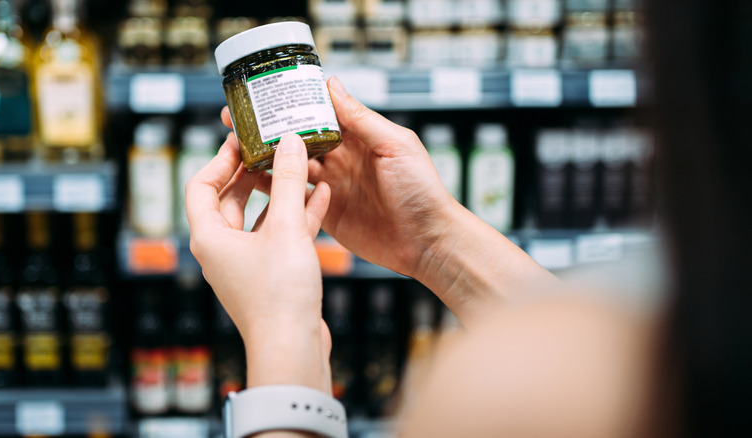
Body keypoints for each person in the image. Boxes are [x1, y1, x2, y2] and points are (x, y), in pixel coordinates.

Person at [186, 1, 752, 436]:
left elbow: (569, 377)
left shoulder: (507, 393)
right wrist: (433, 244)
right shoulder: (667, 363)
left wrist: (283, 332)